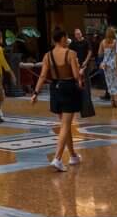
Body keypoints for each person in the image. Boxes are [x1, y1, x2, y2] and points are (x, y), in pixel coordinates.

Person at [31, 28, 83, 171]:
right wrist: (80, 74)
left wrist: (35, 92)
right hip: (68, 88)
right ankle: (58, 158)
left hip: (55, 89)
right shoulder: (71, 54)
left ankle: (72, 155)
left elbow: (42, 76)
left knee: (65, 124)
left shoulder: (47, 56)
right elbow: (76, 74)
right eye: (66, 38)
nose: (67, 40)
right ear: (61, 39)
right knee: (65, 125)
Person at [99, 27, 117, 107]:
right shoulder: (116, 42)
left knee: (110, 83)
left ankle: (112, 100)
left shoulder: (103, 42)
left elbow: (100, 54)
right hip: (114, 64)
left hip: (106, 65)